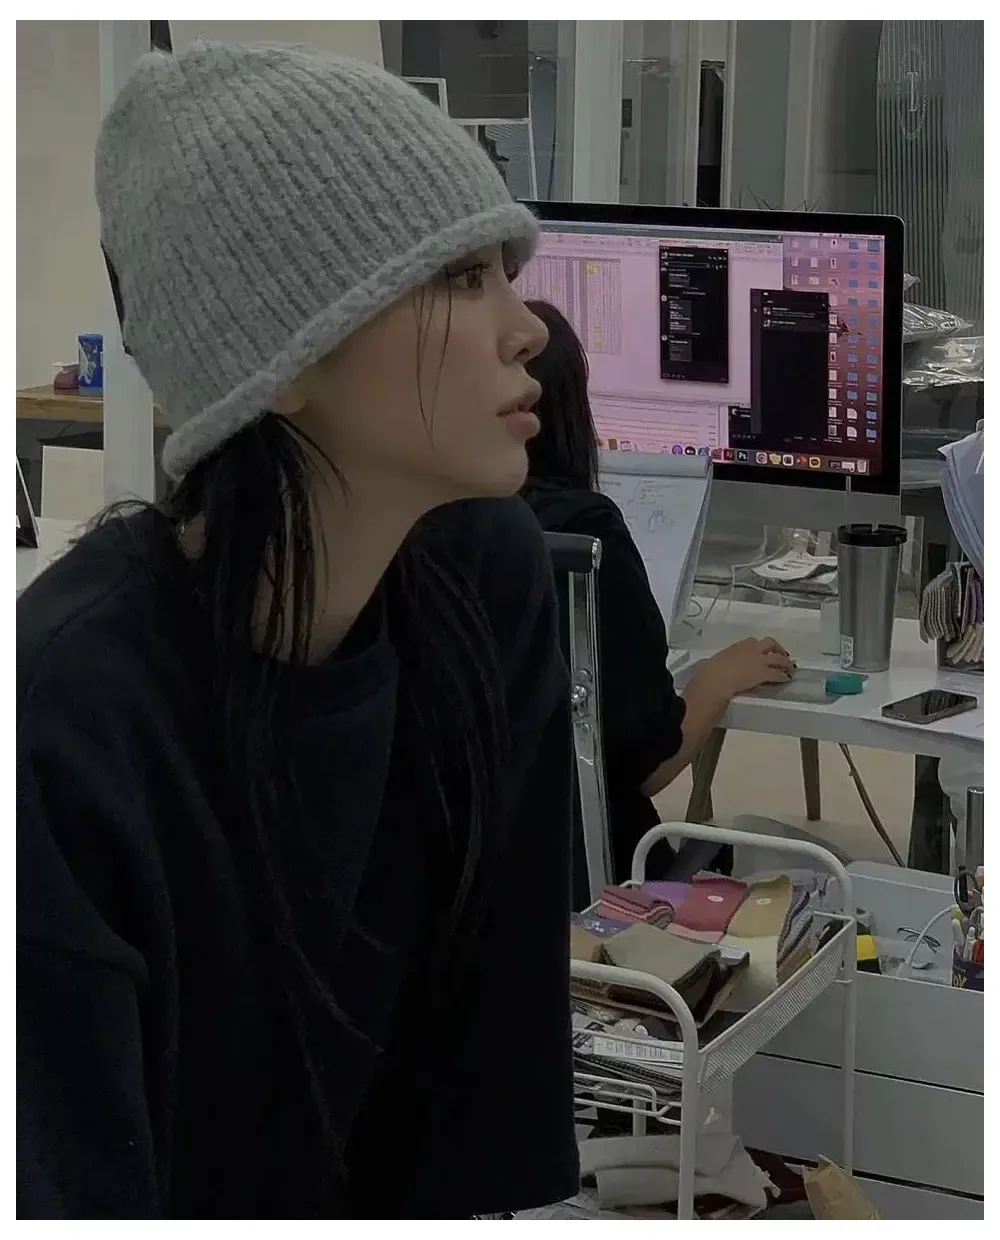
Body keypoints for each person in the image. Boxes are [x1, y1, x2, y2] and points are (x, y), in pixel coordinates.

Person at [17, 45, 579, 1219]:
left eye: (505, 272)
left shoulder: (488, 585)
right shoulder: (68, 720)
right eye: (458, 277)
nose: (526, 327)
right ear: (278, 361)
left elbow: (489, 1099)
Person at [520, 299, 795, 885]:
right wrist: (715, 679)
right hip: (599, 889)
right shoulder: (585, 536)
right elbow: (645, 767)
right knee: (789, 852)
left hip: (484, 891)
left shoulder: (429, 528)